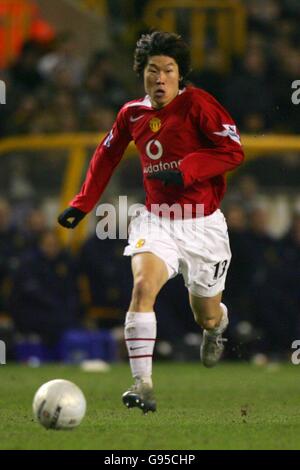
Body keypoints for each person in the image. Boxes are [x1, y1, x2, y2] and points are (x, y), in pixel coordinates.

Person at [58, 31, 244, 413]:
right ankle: (142, 384)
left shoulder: (199, 105)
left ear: (180, 75)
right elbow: (105, 155)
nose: (160, 78)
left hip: (203, 226)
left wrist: (188, 169)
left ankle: (217, 327)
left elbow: (232, 151)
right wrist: (83, 203)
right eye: (152, 70)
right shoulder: (131, 114)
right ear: (142, 75)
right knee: (143, 287)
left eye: (168, 70)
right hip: (157, 220)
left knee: (206, 315)